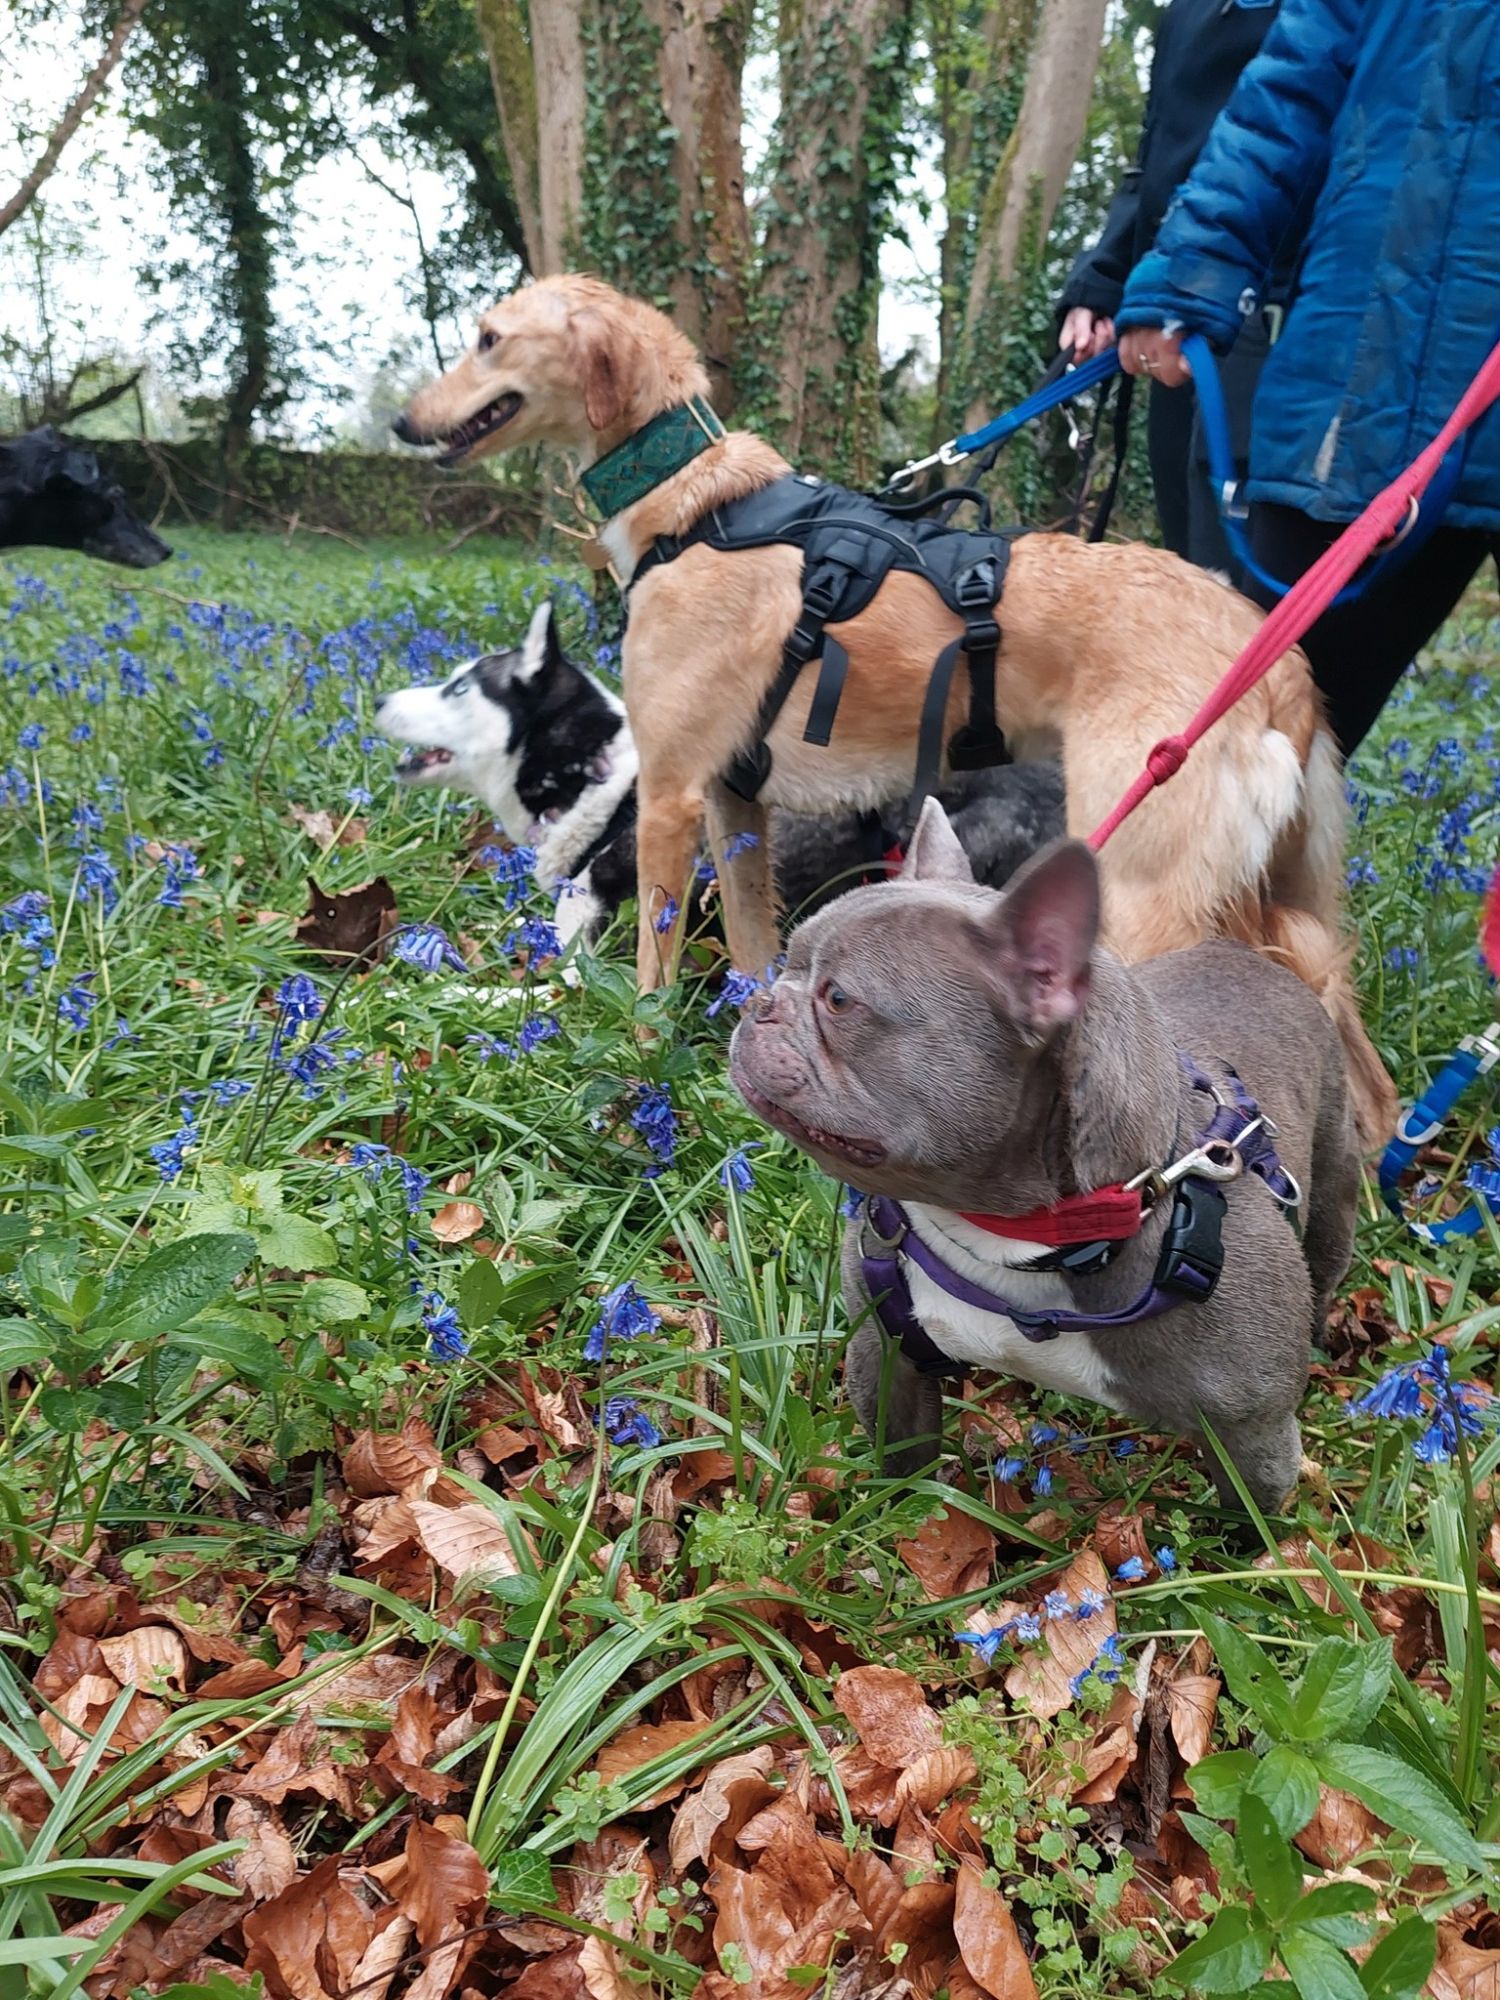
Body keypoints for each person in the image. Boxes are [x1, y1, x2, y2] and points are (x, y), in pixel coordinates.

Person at [1117, 0, 1500, 755]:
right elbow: (1287, 93)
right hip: (1367, 374)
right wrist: (1193, 271)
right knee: (1252, 742)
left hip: (1376, 374)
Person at [1057, 0, 1285, 582]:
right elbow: (1158, 159)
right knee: (1196, 570)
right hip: (1176, 332)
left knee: (1248, 592)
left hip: (1281, 329)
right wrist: (1103, 281)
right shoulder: (1185, 14)